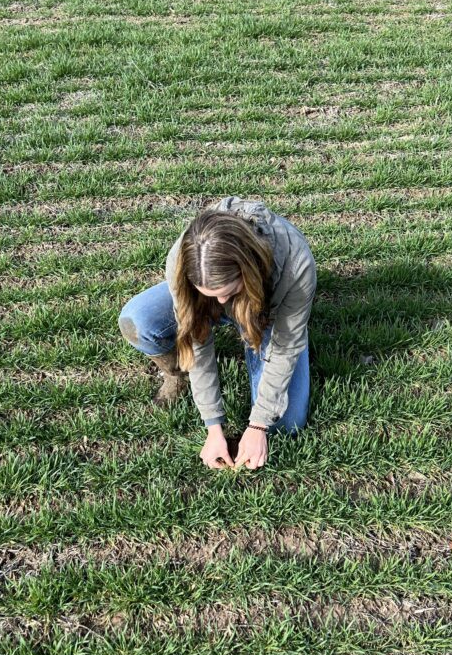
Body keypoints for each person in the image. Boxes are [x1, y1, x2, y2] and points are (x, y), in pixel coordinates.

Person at [118, 196, 317, 471]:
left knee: (286, 423)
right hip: (223, 291)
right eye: (211, 294)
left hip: (269, 311)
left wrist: (257, 425)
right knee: (137, 321)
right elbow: (196, 341)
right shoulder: (182, 257)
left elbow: (285, 348)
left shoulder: (296, 266)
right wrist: (213, 426)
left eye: (229, 293)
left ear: (248, 272)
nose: (222, 303)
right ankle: (176, 374)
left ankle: (253, 328)